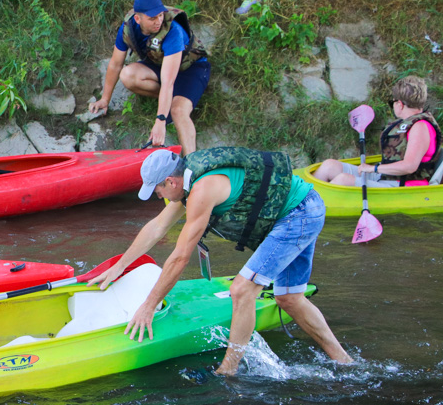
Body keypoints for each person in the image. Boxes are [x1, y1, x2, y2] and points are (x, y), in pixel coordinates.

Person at [88, 148, 353, 375]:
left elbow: (180, 257)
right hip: (302, 209)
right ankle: (344, 361)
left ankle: (229, 370)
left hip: (298, 214)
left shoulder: (203, 189)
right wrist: (120, 265)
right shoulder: (187, 182)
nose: (158, 196)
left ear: (170, 181)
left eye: (157, 189)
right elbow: (157, 226)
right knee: (289, 298)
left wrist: (149, 305)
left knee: (242, 290)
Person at [88, 0, 210, 156]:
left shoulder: (172, 31)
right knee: (127, 75)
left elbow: (168, 82)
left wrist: (160, 120)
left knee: (177, 110)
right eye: (152, 18)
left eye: (160, 15)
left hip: (191, 70)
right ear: (138, 19)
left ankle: (192, 167)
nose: (158, 21)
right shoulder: (129, 27)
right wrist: (105, 99)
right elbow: (116, 64)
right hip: (159, 64)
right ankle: (170, 99)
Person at [312, 76, 441, 187]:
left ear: (399, 104)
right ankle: (302, 202)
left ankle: (315, 208)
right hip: (386, 176)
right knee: (330, 166)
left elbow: (409, 166)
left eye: (392, 102)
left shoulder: (420, 127)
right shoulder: (407, 123)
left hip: (404, 185)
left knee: (343, 180)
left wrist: (373, 168)